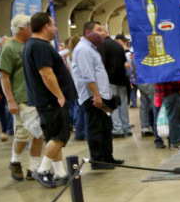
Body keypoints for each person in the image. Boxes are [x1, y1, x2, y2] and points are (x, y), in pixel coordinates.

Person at [22, 12, 77, 187]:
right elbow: (46, 73)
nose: (56, 28)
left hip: (44, 99)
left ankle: (60, 172)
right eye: (53, 24)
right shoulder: (40, 46)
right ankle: (42, 170)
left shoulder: (32, 45)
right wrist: (59, 95)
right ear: (46, 26)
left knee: (54, 136)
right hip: (50, 100)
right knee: (61, 135)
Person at [0, 14, 43, 180]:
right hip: (21, 98)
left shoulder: (31, 45)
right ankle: (15, 161)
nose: (33, 29)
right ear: (23, 28)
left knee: (38, 134)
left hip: (37, 97)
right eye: (30, 26)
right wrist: (10, 100)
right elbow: (4, 76)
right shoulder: (9, 48)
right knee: (23, 134)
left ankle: (34, 168)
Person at [71, 21, 122, 169]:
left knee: (105, 128)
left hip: (101, 94)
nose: (103, 33)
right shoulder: (83, 50)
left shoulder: (92, 49)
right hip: (93, 97)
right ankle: (98, 160)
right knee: (96, 128)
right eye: (99, 30)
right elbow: (88, 75)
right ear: (88, 32)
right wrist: (97, 95)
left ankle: (107, 157)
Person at [98, 28, 130, 138]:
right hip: (122, 79)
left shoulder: (103, 45)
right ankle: (126, 127)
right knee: (123, 105)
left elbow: (102, 64)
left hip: (110, 80)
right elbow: (125, 63)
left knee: (114, 105)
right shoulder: (118, 45)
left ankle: (117, 129)